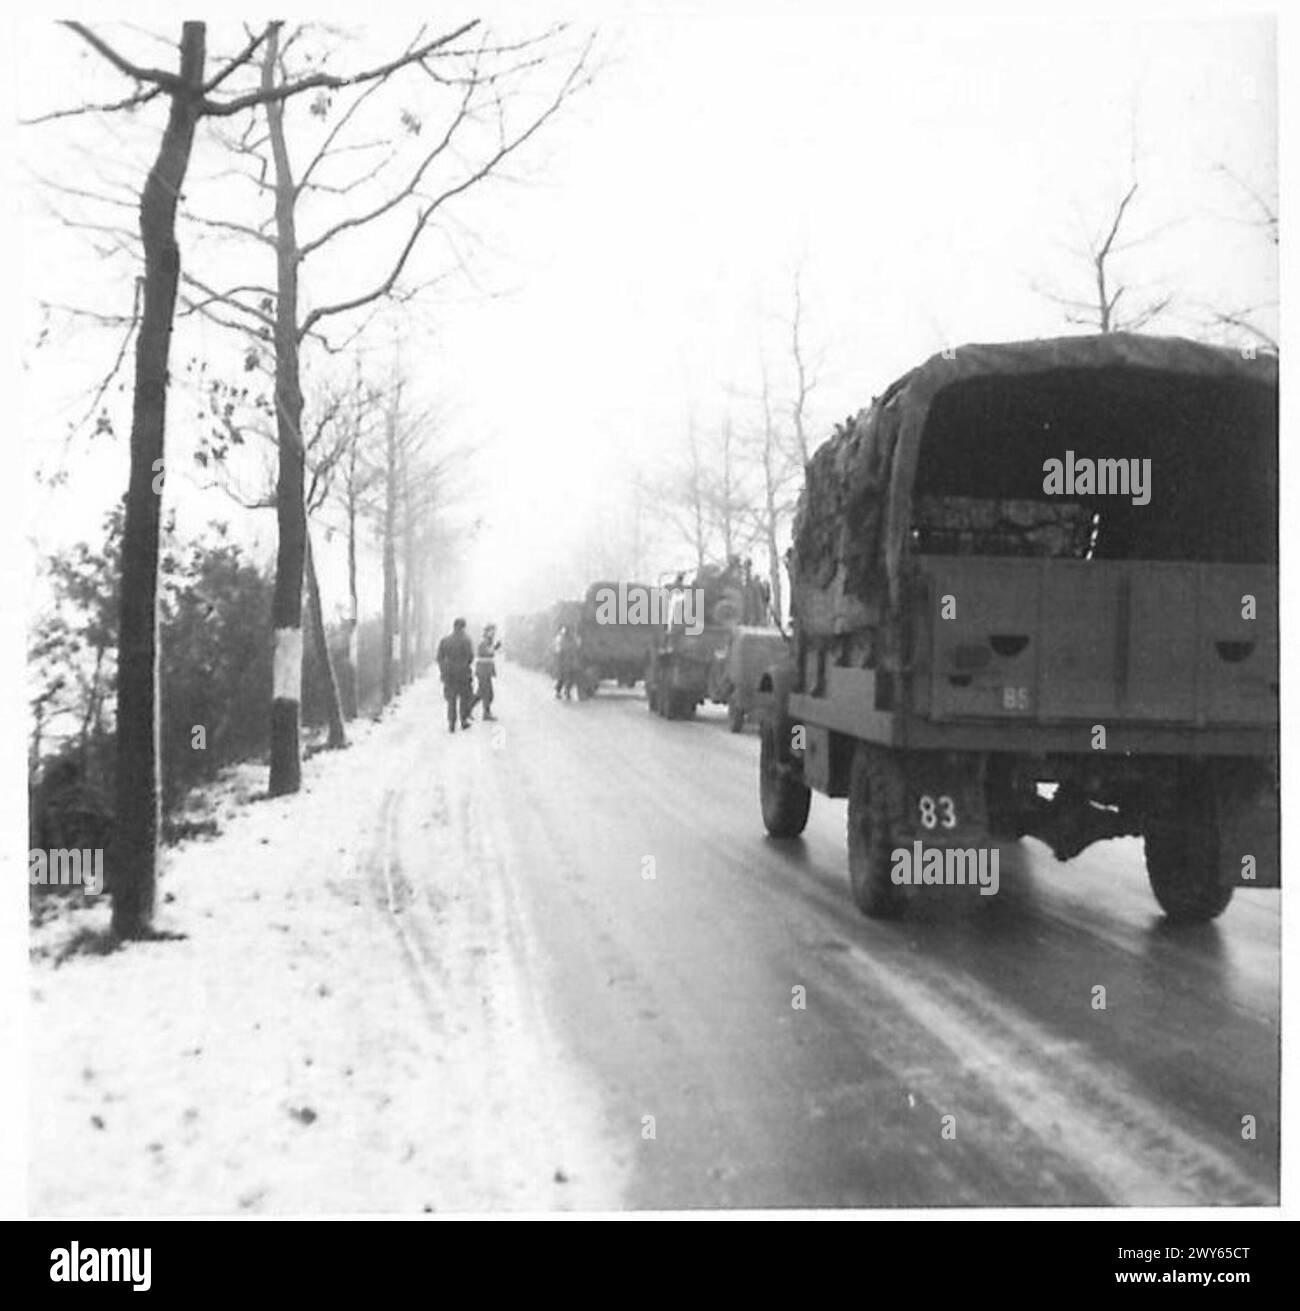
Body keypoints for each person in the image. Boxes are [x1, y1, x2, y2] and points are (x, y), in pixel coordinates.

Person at [436, 618, 475, 731]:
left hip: (449, 674)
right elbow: (470, 657)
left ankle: (451, 723)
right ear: (463, 627)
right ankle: (463, 721)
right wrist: (464, 664)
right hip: (463, 674)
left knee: (451, 699)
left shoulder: (445, 640)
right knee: (464, 698)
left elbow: (439, 657)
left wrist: (443, 670)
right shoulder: (466, 641)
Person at [475, 624, 502, 720]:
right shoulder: (484, 641)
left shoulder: (488, 641)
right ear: (487, 631)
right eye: (492, 631)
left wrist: (494, 648)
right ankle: (485, 713)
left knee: (482, 693)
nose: (494, 633)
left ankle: (468, 709)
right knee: (487, 693)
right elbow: (486, 653)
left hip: (485, 671)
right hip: (483, 671)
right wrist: (495, 648)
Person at [553, 625, 580, 700]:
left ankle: (567, 691)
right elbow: (558, 650)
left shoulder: (571, 638)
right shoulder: (560, 638)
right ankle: (558, 691)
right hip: (562, 660)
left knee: (569, 677)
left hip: (569, 660)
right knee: (561, 677)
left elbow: (576, 647)